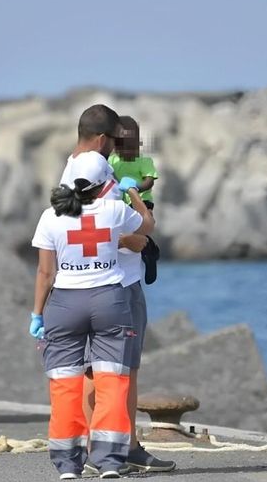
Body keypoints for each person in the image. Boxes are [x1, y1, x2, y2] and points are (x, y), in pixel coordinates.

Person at [61, 106, 175, 475]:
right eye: (113, 142)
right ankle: (112, 448)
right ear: (101, 139)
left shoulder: (73, 170)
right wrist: (134, 240)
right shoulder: (93, 169)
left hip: (103, 282)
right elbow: (111, 230)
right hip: (115, 284)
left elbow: (73, 227)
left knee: (112, 370)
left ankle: (119, 446)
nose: (115, 150)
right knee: (114, 370)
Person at [31, 152, 155, 479]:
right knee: (112, 381)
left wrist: (37, 314)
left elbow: (45, 273)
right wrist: (132, 193)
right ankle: (110, 462)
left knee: (64, 386)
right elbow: (147, 227)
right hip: (109, 302)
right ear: (104, 185)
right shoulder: (115, 210)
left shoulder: (50, 217)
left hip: (64, 306)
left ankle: (68, 465)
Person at [108, 115, 161, 285]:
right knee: (125, 235)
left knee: (141, 228)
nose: (128, 151)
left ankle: (149, 254)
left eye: (132, 146)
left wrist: (136, 188)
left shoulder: (144, 160)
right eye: (123, 146)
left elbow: (149, 180)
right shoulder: (112, 160)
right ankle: (144, 251)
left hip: (142, 200)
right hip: (121, 203)